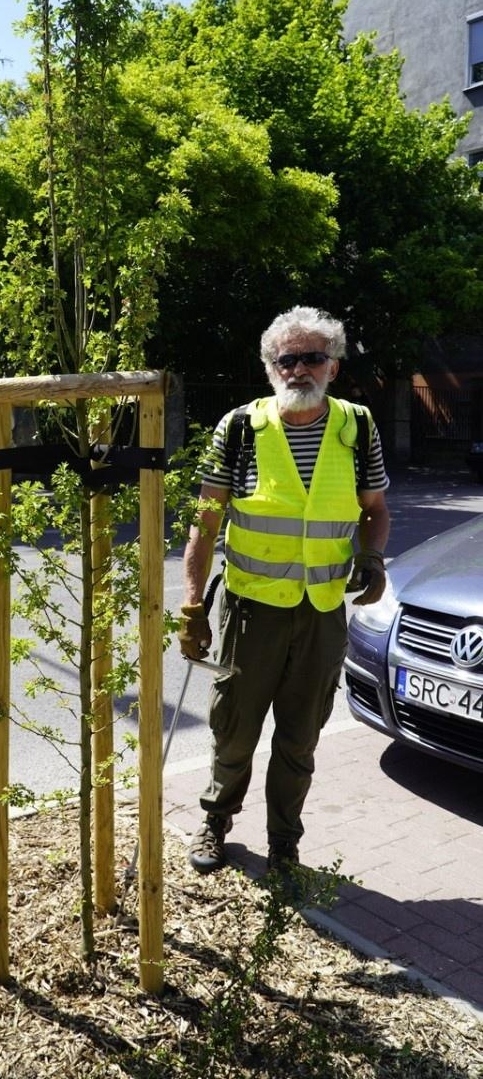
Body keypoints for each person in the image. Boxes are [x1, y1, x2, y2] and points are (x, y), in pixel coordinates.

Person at [178, 306, 390, 876]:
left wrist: (371, 555)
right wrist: (192, 605)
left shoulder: (357, 427)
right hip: (252, 612)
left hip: (322, 614)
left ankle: (284, 842)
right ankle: (215, 822)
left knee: (300, 739)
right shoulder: (241, 428)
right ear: (271, 367)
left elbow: (375, 510)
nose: (299, 369)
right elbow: (206, 520)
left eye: (312, 358)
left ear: (334, 367)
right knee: (235, 730)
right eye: (286, 359)